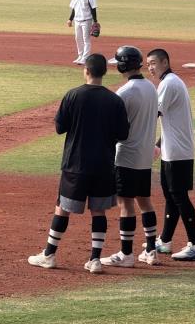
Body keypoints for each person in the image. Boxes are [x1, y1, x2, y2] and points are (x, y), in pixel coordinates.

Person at [27, 53, 129, 273]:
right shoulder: (115, 100)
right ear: (104, 72)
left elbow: (59, 128)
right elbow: (123, 134)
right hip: (103, 165)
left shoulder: (73, 95)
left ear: (87, 71)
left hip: (76, 164)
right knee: (99, 212)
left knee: (62, 208)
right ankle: (95, 260)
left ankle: (49, 255)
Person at [100, 46, 160, 268]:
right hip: (145, 155)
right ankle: (151, 250)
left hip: (126, 155)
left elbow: (114, 127)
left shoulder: (125, 92)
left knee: (125, 203)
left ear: (123, 65)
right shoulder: (151, 87)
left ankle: (126, 254)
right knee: (145, 201)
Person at [146, 48, 195, 261]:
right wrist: (158, 144)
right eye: (148, 64)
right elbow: (171, 121)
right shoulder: (171, 82)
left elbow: (154, 114)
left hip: (178, 151)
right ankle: (165, 240)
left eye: (153, 63)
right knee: (171, 196)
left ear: (165, 62)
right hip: (172, 149)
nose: (150, 68)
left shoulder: (169, 83)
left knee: (179, 197)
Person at [67, 0, 98, 66]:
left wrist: (95, 21)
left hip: (86, 20)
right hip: (77, 20)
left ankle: (85, 58)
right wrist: (70, 19)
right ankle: (80, 56)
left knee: (86, 39)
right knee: (78, 38)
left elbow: (93, 8)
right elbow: (74, 8)